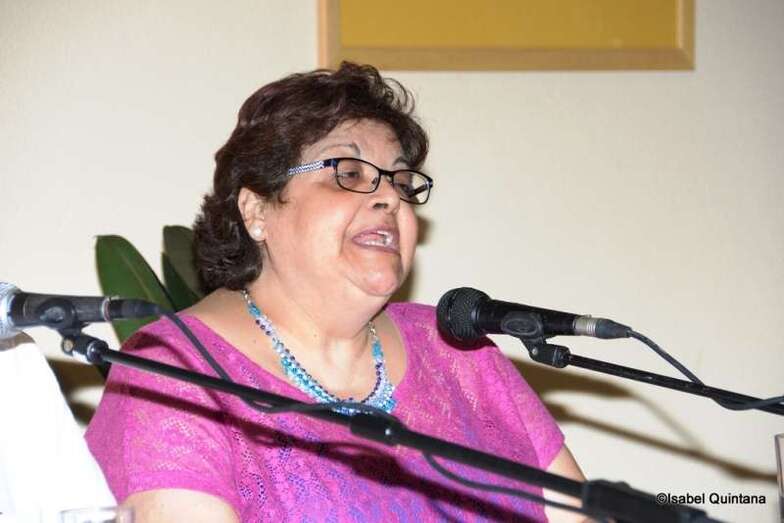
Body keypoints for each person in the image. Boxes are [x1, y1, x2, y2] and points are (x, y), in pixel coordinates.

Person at [86, 62, 586, 522]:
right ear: (257, 210)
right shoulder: (174, 372)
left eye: (401, 182)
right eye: (348, 173)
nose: (389, 197)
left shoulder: (456, 350)